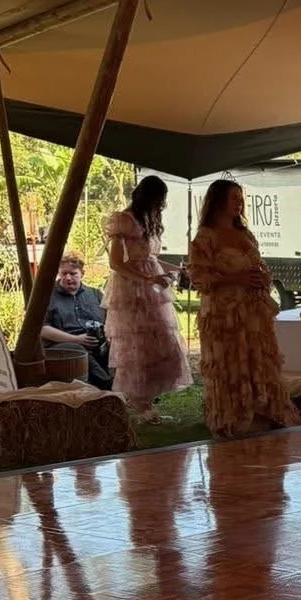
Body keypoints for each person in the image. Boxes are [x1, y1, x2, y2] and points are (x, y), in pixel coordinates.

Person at [186, 178, 296, 438]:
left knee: (258, 360)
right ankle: (235, 418)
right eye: (233, 198)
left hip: (253, 312)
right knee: (231, 364)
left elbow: (259, 266)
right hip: (225, 315)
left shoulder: (245, 234)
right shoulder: (205, 237)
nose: (239, 203)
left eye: (241, 198)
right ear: (218, 202)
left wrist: (262, 279)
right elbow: (199, 277)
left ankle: (263, 411)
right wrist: (236, 279)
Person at [103, 176, 191, 420]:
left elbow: (150, 260)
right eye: (159, 200)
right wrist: (147, 279)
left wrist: (175, 270)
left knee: (158, 345)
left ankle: (147, 404)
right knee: (137, 348)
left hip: (151, 291)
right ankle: (138, 404)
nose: (161, 205)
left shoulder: (147, 221)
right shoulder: (125, 220)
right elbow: (116, 263)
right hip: (132, 291)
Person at [42, 251, 112, 389]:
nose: (68, 278)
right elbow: (42, 329)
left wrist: (109, 335)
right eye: (64, 273)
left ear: (82, 273)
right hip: (63, 346)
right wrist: (76, 339)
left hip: (97, 343)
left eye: (73, 273)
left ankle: (131, 385)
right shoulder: (47, 296)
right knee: (78, 350)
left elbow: (110, 320)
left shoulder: (96, 294)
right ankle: (108, 386)